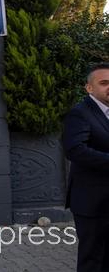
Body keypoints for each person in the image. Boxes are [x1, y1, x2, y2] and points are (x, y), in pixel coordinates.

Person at [62, 63, 109, 271]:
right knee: (92, 259)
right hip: (92, 201)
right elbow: (75, 150)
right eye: (104, 83)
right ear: (89, 88)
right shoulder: (79, 113)